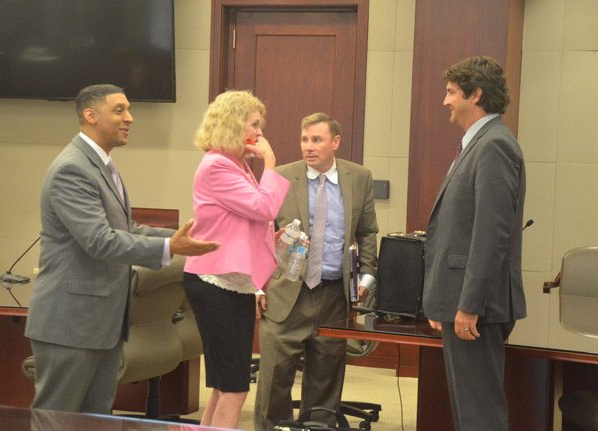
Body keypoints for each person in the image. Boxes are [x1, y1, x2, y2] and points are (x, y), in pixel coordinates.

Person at [24, 84, 219, 414]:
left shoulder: (102, 166)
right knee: (56, 418)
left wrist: (180, 238)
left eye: (129, 110)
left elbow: (126, 231)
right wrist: (169, 246)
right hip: (71, 323)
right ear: (90, 115)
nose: (130, 118)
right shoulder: (72, 169)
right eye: (119, 110)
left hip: (103, 323)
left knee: (96, 417)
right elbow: (99, 241)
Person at [255, 112, 378, 430]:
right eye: (304, 140)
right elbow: (257, 234)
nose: (308, 147)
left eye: (317, 140)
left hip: (334, 297)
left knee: (325, 390)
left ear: (335, 142)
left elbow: (366, 233)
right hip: (286, 297)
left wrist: (366, 279)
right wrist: (256, 286)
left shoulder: (359, 177)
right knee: (273, 388)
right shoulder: (281, 176)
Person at [422, 56, 527, 431]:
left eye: (451, 93)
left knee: (480, 413)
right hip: (461, 299)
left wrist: (468, 303)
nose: (445, 101)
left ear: (476, 94)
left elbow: (490, 232)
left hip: (476, 306)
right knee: (469, 410)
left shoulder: (494, 145)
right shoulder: (478, 143)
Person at [183, 90, 290, 429]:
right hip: (215, 281)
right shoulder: (216, 165)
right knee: (234, 388)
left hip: (230, 281)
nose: (259, 133)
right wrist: (271, 163)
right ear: (233, 125)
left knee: (224, 386)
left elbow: (244, 219)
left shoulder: (234, 163)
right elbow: (264, 207)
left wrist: (267, 239)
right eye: (254, 125)